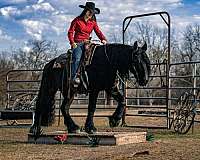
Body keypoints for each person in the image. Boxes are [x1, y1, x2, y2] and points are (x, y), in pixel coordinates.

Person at [68, 2, 107, 85]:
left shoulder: (92, 22)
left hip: (88, 43)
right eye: (89, 12)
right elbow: (70, 32)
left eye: (92, 13)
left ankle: (94, 77)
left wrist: (103, 39)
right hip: (78, 43)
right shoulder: (77, 20)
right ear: (85, 11)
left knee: (97, 56)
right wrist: (72, 42)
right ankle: (74, 77)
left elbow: (98, 32)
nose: (90, 14)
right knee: (77, 58)